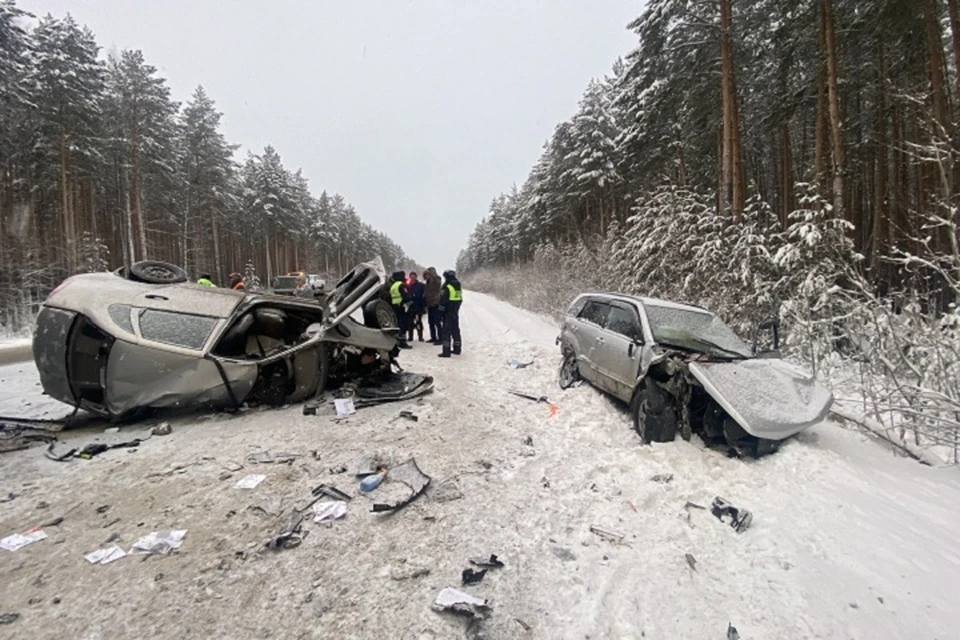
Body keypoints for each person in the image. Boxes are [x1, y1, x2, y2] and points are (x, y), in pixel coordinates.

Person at [437, 269, 463, 358]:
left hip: (447, 312)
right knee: (456, 330)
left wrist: (440, 313)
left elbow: (443, 301)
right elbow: (460, 299)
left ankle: (446, 351)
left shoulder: (447, 286)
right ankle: (457, 349)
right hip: (455, 311)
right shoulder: (457, 285)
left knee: (446, 331)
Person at [388, 270, 412, 349]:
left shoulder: (393, 285)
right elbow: (405, 296)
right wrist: (409, 302)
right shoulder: (401, 285)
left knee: (397, 323)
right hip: (402, 306)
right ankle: (403, 342)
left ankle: (397, 341)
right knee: (404, 324)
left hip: (395, 306)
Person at [423, 267, 443, 344]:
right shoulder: (427, 283)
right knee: (431, 322)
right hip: (429, 304)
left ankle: (440, 338)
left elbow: (438, 281)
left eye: (428, 274)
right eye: (426, 275)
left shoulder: (436, 280)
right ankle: (433, 337)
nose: (427, 276)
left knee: (437, 322)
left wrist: (433, 274)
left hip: (436, 304)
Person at [406, 272, 426, 342]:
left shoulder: (421, 285)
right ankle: (410, 337)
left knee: (418, 322)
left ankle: (420, 337)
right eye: (411, 277)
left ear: (416, 277)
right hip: (410, 307)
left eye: (414, 276)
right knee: (410, 323)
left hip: (418, 307)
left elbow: (424, 296)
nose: (413, 278)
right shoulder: (407, 285)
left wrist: (423, 307)